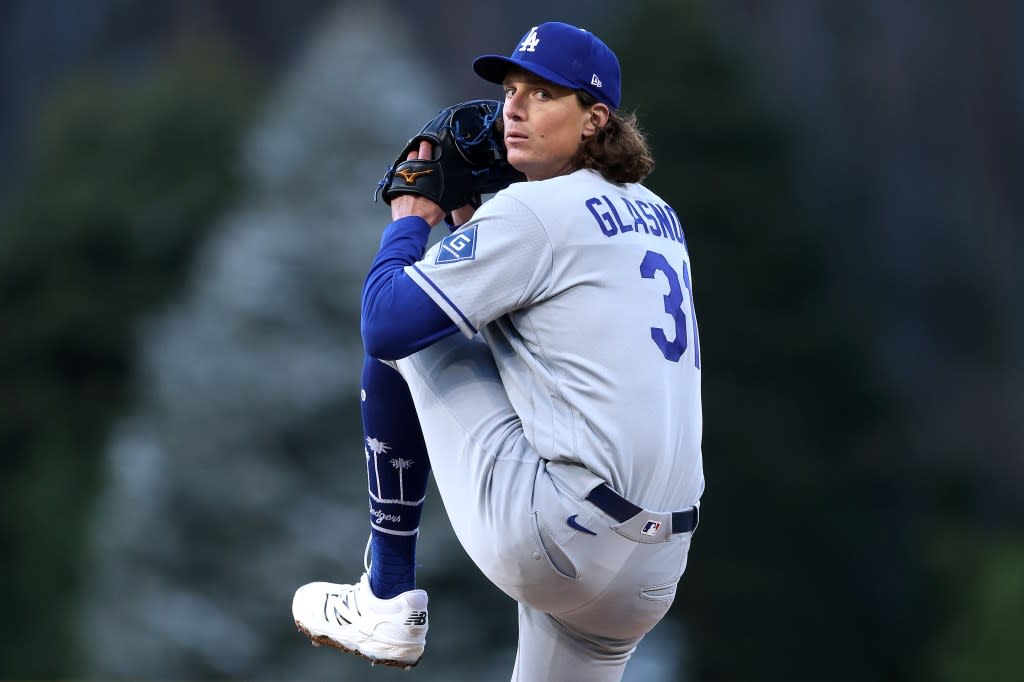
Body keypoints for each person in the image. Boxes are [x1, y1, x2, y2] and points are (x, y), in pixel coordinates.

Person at [292, 21, 704, 682]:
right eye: (511, 90)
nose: (513, 108)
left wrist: (411, 222)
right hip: (654, 572)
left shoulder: (535, 214)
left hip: (561, 536)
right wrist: (470, 225)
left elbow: (387, 323)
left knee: (412, 334)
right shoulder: (659, 214)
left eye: (542, 94)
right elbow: (550, 344)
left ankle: (386, 597)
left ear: (595, 118)